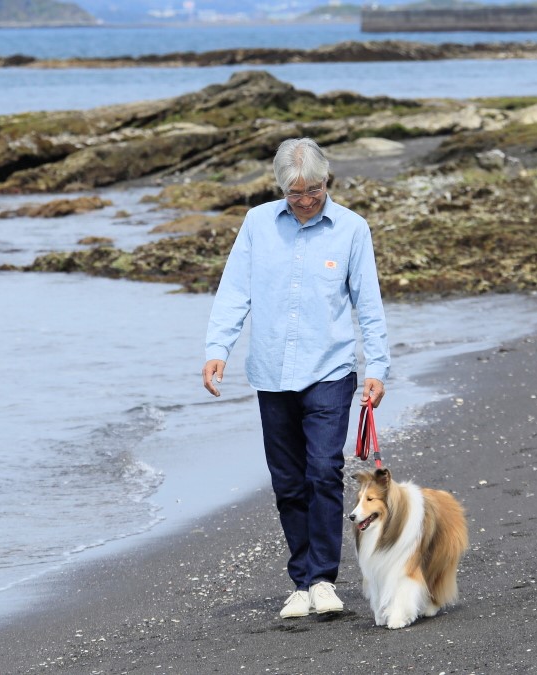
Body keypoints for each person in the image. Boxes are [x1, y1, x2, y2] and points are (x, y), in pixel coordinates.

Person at [202, 137, 390, 617]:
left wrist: (378, 367)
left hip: (330, 370)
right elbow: (233, 291)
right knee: (288, 481)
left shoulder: (352, 229)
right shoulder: (257, 224)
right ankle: (302, 581)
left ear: (328, 181)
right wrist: (216, 349)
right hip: (270, 373)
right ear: (280, 188)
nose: (306, 200)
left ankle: (324, 578)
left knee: (323, 471)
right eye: (295, 193)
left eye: (314, 190)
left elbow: (368, 304)